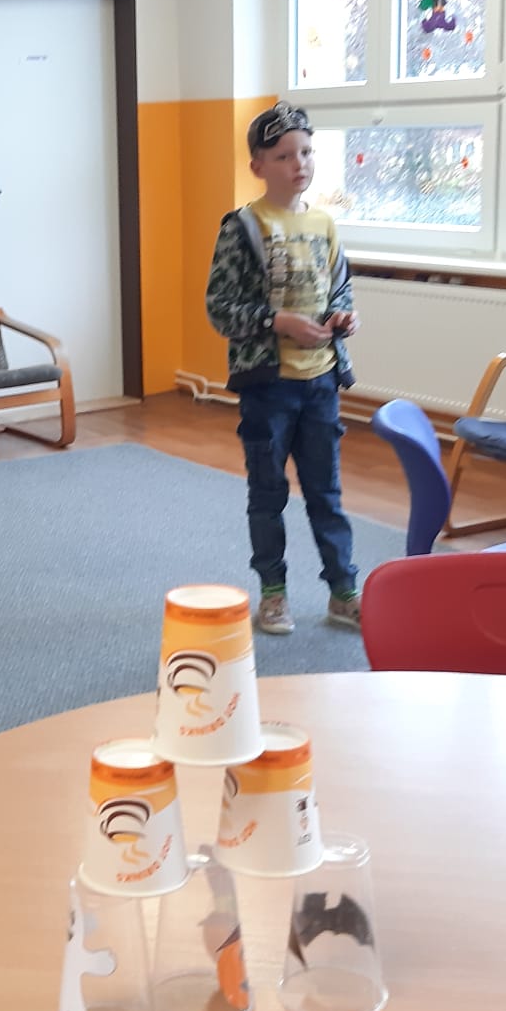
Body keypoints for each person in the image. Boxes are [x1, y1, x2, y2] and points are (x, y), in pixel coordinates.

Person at [205, 102, 361, 638]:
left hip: (321, 384)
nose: (300, 164)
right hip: (268, 388)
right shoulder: (243, 228)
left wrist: (343, 315)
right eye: (285, 156)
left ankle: (343, 591)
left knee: (327, 495)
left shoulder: (324, 224)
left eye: (307, 152)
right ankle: (273, 592)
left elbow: (340, 288)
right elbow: (220, 308)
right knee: (268, 495)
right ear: (258, 166)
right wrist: (278, 322)